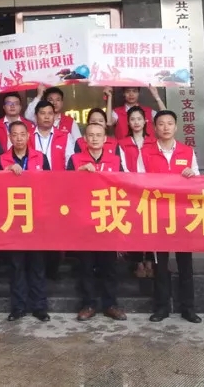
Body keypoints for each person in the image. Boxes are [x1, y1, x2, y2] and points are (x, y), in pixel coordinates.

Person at [141, 110, 204, 323]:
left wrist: (191, 175)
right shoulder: (146, 152)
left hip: (182, 216)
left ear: (176, 127)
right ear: (155, 128)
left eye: (170, 123)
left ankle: (188, 308)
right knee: (160, 265)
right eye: (161, 124)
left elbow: (198, 181)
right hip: (157, 215)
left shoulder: (187, 151)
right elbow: (138, 182)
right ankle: (161, 308)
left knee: (185, 263)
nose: (166, 127)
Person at [69, 122, 128, 321]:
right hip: (83, 219)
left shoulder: (115, 160)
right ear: (84, 139)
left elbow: (124, 184)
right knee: (86, 265)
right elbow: (64, 186)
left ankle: (110, 304)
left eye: (98, 135)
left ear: (105, 139)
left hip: (108, 218)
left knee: (109, 266)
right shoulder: (75, 159)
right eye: (91, 135)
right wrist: (78, 174)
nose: (94, 138)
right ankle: (88, 304)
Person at [0, 121, 49, 321]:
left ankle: (39, 307)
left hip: (35, 218)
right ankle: (18, 307)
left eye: (22, 134)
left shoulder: (40, 157)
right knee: (16, 265)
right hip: (13, 218)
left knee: (37, 264)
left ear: (28, 136)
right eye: (14, 135)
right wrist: (6, 171)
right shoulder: (2, 160)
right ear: (10, 137)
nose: (18, 138)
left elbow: (50, 184)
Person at [117, 105, 155, 278]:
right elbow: (122, 167)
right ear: (128, 123)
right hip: (132, 189)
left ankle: (150, 261)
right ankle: (138, 262)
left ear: (145, 121)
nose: (136, 122)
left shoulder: (153, 142)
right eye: (132, 119)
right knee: (136, 226)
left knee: (151, 225)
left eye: (139, 119)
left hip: (152, 190)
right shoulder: (122, 144)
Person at [30, 101, 73, 170]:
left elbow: (70, 164)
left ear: (54, 116)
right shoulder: (27, 136)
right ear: (36, 116)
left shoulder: (65, 136)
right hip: (33, 176)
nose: (47, 117)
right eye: (43, 113)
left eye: (50, 113)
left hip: (58, 176)